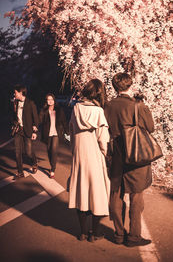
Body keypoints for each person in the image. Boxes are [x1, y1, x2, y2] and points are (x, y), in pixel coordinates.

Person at [104, 73, 154, 247]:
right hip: (135, 155)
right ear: (130, 85)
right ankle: (134, 236)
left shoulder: (108, 106)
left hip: (117, 154)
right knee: (136, 195)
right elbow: (150, 127)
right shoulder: (137, 106)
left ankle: (118, 233)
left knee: (116, 194)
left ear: (115, 87)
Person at [68, 79, 110, 242]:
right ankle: (96, 233)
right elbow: (103, 139)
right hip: (94, 157)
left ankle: (83, 232)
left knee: (81, 192)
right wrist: (105, 155)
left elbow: (71, 133)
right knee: (97, 194)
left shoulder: (76, 109)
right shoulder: (98, 112)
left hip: (79, 156)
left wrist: (74, 151)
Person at [12, 84, 39, 179]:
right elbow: (13, 115)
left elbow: (35, 118)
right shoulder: (16, 102)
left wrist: (35, 132)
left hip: (27, 130)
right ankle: (20, 173)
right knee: (17, 152)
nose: (14, 94)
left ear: (20, 92)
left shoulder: (30, 103)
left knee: (28, 152)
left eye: (15, 92)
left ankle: (34, 162)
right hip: (18, 130)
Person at [39, 93, 68, 178]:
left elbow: (64, 121)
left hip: (56, 133)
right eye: (48, 99)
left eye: (51, 99)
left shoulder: (59, 110)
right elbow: (39, 120)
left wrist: (67, 132)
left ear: (54, 100)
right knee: (49, 150)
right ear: (46, 101)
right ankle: (52, 164)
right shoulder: (44, 110)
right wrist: (34, 126)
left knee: (54, 150)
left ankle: (52, 169)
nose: (50, 101)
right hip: (47, 133)